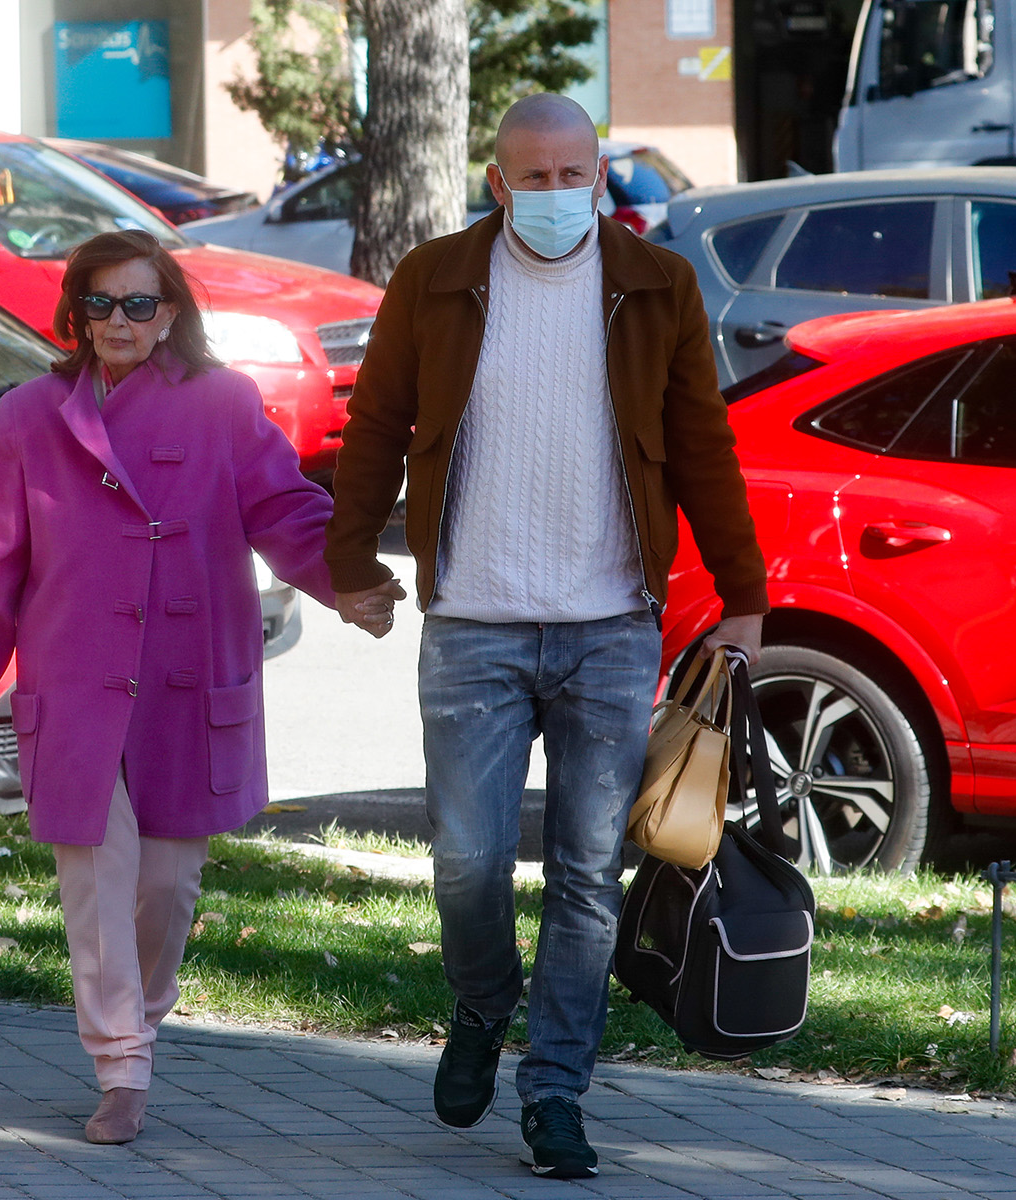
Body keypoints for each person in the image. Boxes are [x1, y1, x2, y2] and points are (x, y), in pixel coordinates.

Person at [324, 95, 769, 1178]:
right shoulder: (432, 278)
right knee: (465, 861)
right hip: (473, 620)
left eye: (581, 175)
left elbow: (700, 442)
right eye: (540, 176)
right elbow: (377, 420)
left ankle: (557, 1091)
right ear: (499, 183)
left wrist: (743, 589)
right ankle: (484, 1004)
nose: (564, 194)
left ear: (602, 176)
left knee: (585, 874)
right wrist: (349, 567)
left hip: (611, 624)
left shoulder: (656, 284)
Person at [0, 229, 382, 1145]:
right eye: (99, 303)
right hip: (74, 679)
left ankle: (140, 1019)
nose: (118, 321)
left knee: (167, 887)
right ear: (75, 314)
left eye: (139, 303)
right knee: (97, 877)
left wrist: (354, 583)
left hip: (187, 681)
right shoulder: (28, 415)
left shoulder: (222, 403)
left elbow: (284, 508)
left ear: (170, 313)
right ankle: (121, 1063)